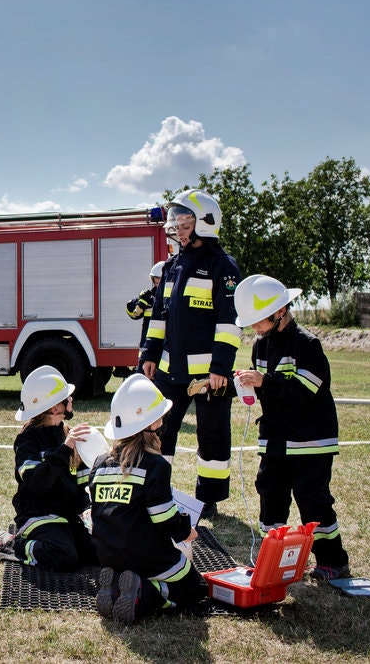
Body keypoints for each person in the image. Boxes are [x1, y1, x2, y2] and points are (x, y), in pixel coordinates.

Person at [233, 274, 351, 580]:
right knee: (270, 495)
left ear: (280, 311)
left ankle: (332, 562)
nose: (254, 327)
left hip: (310, 440)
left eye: (259, 320)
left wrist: (265, 381)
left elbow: (305, 391)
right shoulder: (260, 346)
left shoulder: (307, 345)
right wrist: (247, 384)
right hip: (275, 438)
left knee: (313, 500)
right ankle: (272, 562)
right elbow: (266, 390)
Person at [140, 190, 242, 518]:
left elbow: (230, 323)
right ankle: (157, 489)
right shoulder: (172, 265)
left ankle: (208, 500)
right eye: (176, 225)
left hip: (209, 377)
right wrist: (149, 355)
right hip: (169, 371)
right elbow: (159, 316)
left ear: (205, 224)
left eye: (184, 224)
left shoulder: (223, 267)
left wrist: (221, 368)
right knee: (158, 431)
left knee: (212, 437)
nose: (178, 231)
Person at [89, 373, 207, 624]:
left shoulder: (99, 464)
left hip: (108, 555)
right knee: (196, 589)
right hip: (148, 557)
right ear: (152, 423)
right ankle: (146, 592)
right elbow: (164, 518)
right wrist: (186, 531)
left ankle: (119, 586)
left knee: (138, 567)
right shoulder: (155, 465)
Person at [0, 365, 99, 570]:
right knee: (63, 556)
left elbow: (82, 483)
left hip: (67, 516)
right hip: (38, 514)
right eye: (66, 398)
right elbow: (37, 483)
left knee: (98, 551)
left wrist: (88, 511)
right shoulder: (27, 441)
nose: (71, 400)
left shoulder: (69, 436)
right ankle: (10, 544)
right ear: (55, 408)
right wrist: (64, 449)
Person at [125, 261, 165, 373]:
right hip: (146, 352)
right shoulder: (150, 298)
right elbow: (132, 313)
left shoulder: (171, 300)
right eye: (155, 283)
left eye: (159, 283)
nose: (157, 286)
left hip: (163, 354)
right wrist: (139, 302)